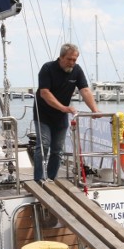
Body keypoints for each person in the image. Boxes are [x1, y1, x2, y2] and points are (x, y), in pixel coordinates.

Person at [32, 43, 100, 182]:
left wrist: (94, 109)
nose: (72, 63)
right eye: (69, 59)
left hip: (60, 116)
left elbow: (85, 90)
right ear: (61, 57)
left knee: (57, 150)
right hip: (43, 114)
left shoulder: (77, 70)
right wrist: (64, 108)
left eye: (75, 60)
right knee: (43, 146)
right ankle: (38, 179)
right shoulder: (47, 68)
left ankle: (51, 178)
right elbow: (44, 93)